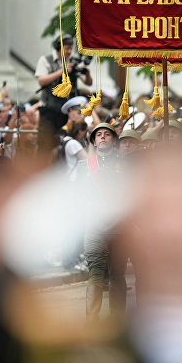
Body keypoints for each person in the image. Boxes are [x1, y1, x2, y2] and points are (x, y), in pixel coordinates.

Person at [82, 123, 125, 321]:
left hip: (118, 227)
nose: (103, 137)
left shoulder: (123, 164)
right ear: (94, 141)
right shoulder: (86, 166)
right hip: (94, 227)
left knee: (117, 274)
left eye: (107, 134)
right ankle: (92, 321)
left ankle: (117, 321)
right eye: (99, 135)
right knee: (95, 274)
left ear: (113, 140)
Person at [35, 34, 92, 151]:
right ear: (58, 48)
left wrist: (87, 73)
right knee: (46, 145)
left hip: (66, 110)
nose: (69, 51)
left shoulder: (72, 62)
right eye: (66, 48)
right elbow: (41, 81)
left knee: (64, 142)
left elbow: (88, 83)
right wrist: (62, 71)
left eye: (71, 48)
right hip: (49, 110)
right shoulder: (46, 60)